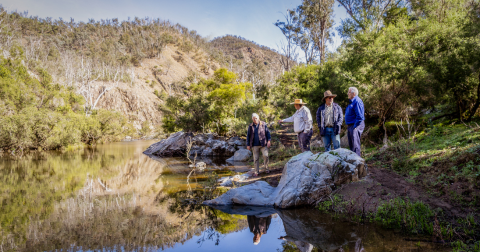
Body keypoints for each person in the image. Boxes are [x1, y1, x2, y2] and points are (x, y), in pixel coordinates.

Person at [345, 87, 365, 157]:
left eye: (349, 92)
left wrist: (355, 126)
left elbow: (360, 116)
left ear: (353, 93)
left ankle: (358, 163)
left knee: (355, 145)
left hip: (355, 125)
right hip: (351, 125)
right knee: (351, 145)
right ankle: (354, 162)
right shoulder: (352, 102)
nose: (348, 93)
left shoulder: (357, 101)